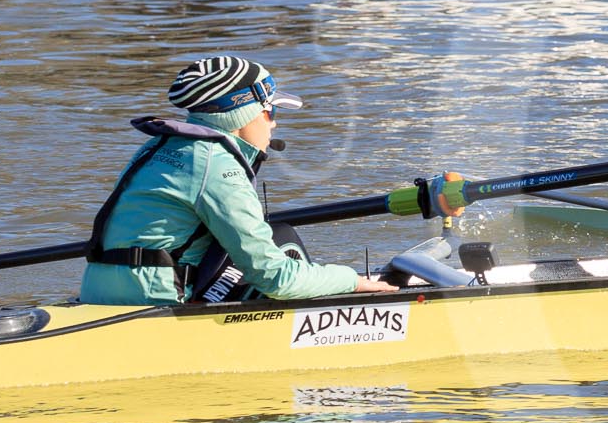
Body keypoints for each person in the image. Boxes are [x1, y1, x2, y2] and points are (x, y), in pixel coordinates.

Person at [81, 56, 398, 305]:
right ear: (245, 115)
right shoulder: (217, 166)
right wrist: (351, 280)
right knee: (283, 241)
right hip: (153, 302)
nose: (273, 124)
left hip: (97, 292)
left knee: (265, 243)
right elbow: (277, 279)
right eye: (271, 111)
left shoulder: (156, 146)